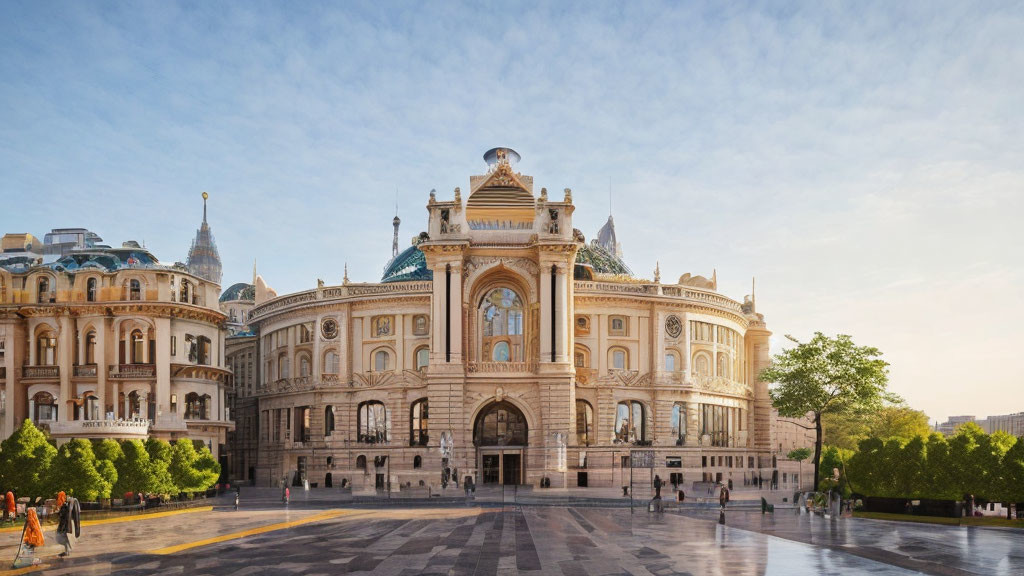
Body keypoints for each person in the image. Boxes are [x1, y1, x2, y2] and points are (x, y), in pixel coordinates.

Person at [55, 491, 81, 558]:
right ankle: (67, 550)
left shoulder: (66, 505)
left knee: (61, 537)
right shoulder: (65, 505)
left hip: (65, 524)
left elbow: (64, 514)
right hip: (64, 524)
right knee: (63, 538)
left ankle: (67, 551)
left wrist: (59, 512)